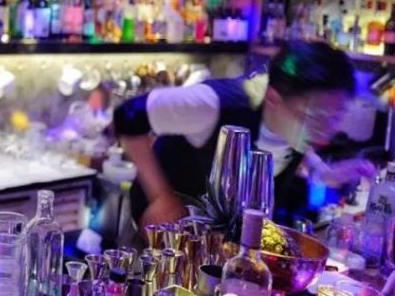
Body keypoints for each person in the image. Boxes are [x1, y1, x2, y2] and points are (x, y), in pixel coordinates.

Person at [114, 40, 376, 228]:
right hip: (158, 234)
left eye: (335, 116)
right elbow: (128, 115)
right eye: (316, 116)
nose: (326, 131)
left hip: (217, 243)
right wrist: (161, 195)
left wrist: (326, 173)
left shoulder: (293, 123)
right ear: (273, 98)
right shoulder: (212, 104)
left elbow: (292, 147)